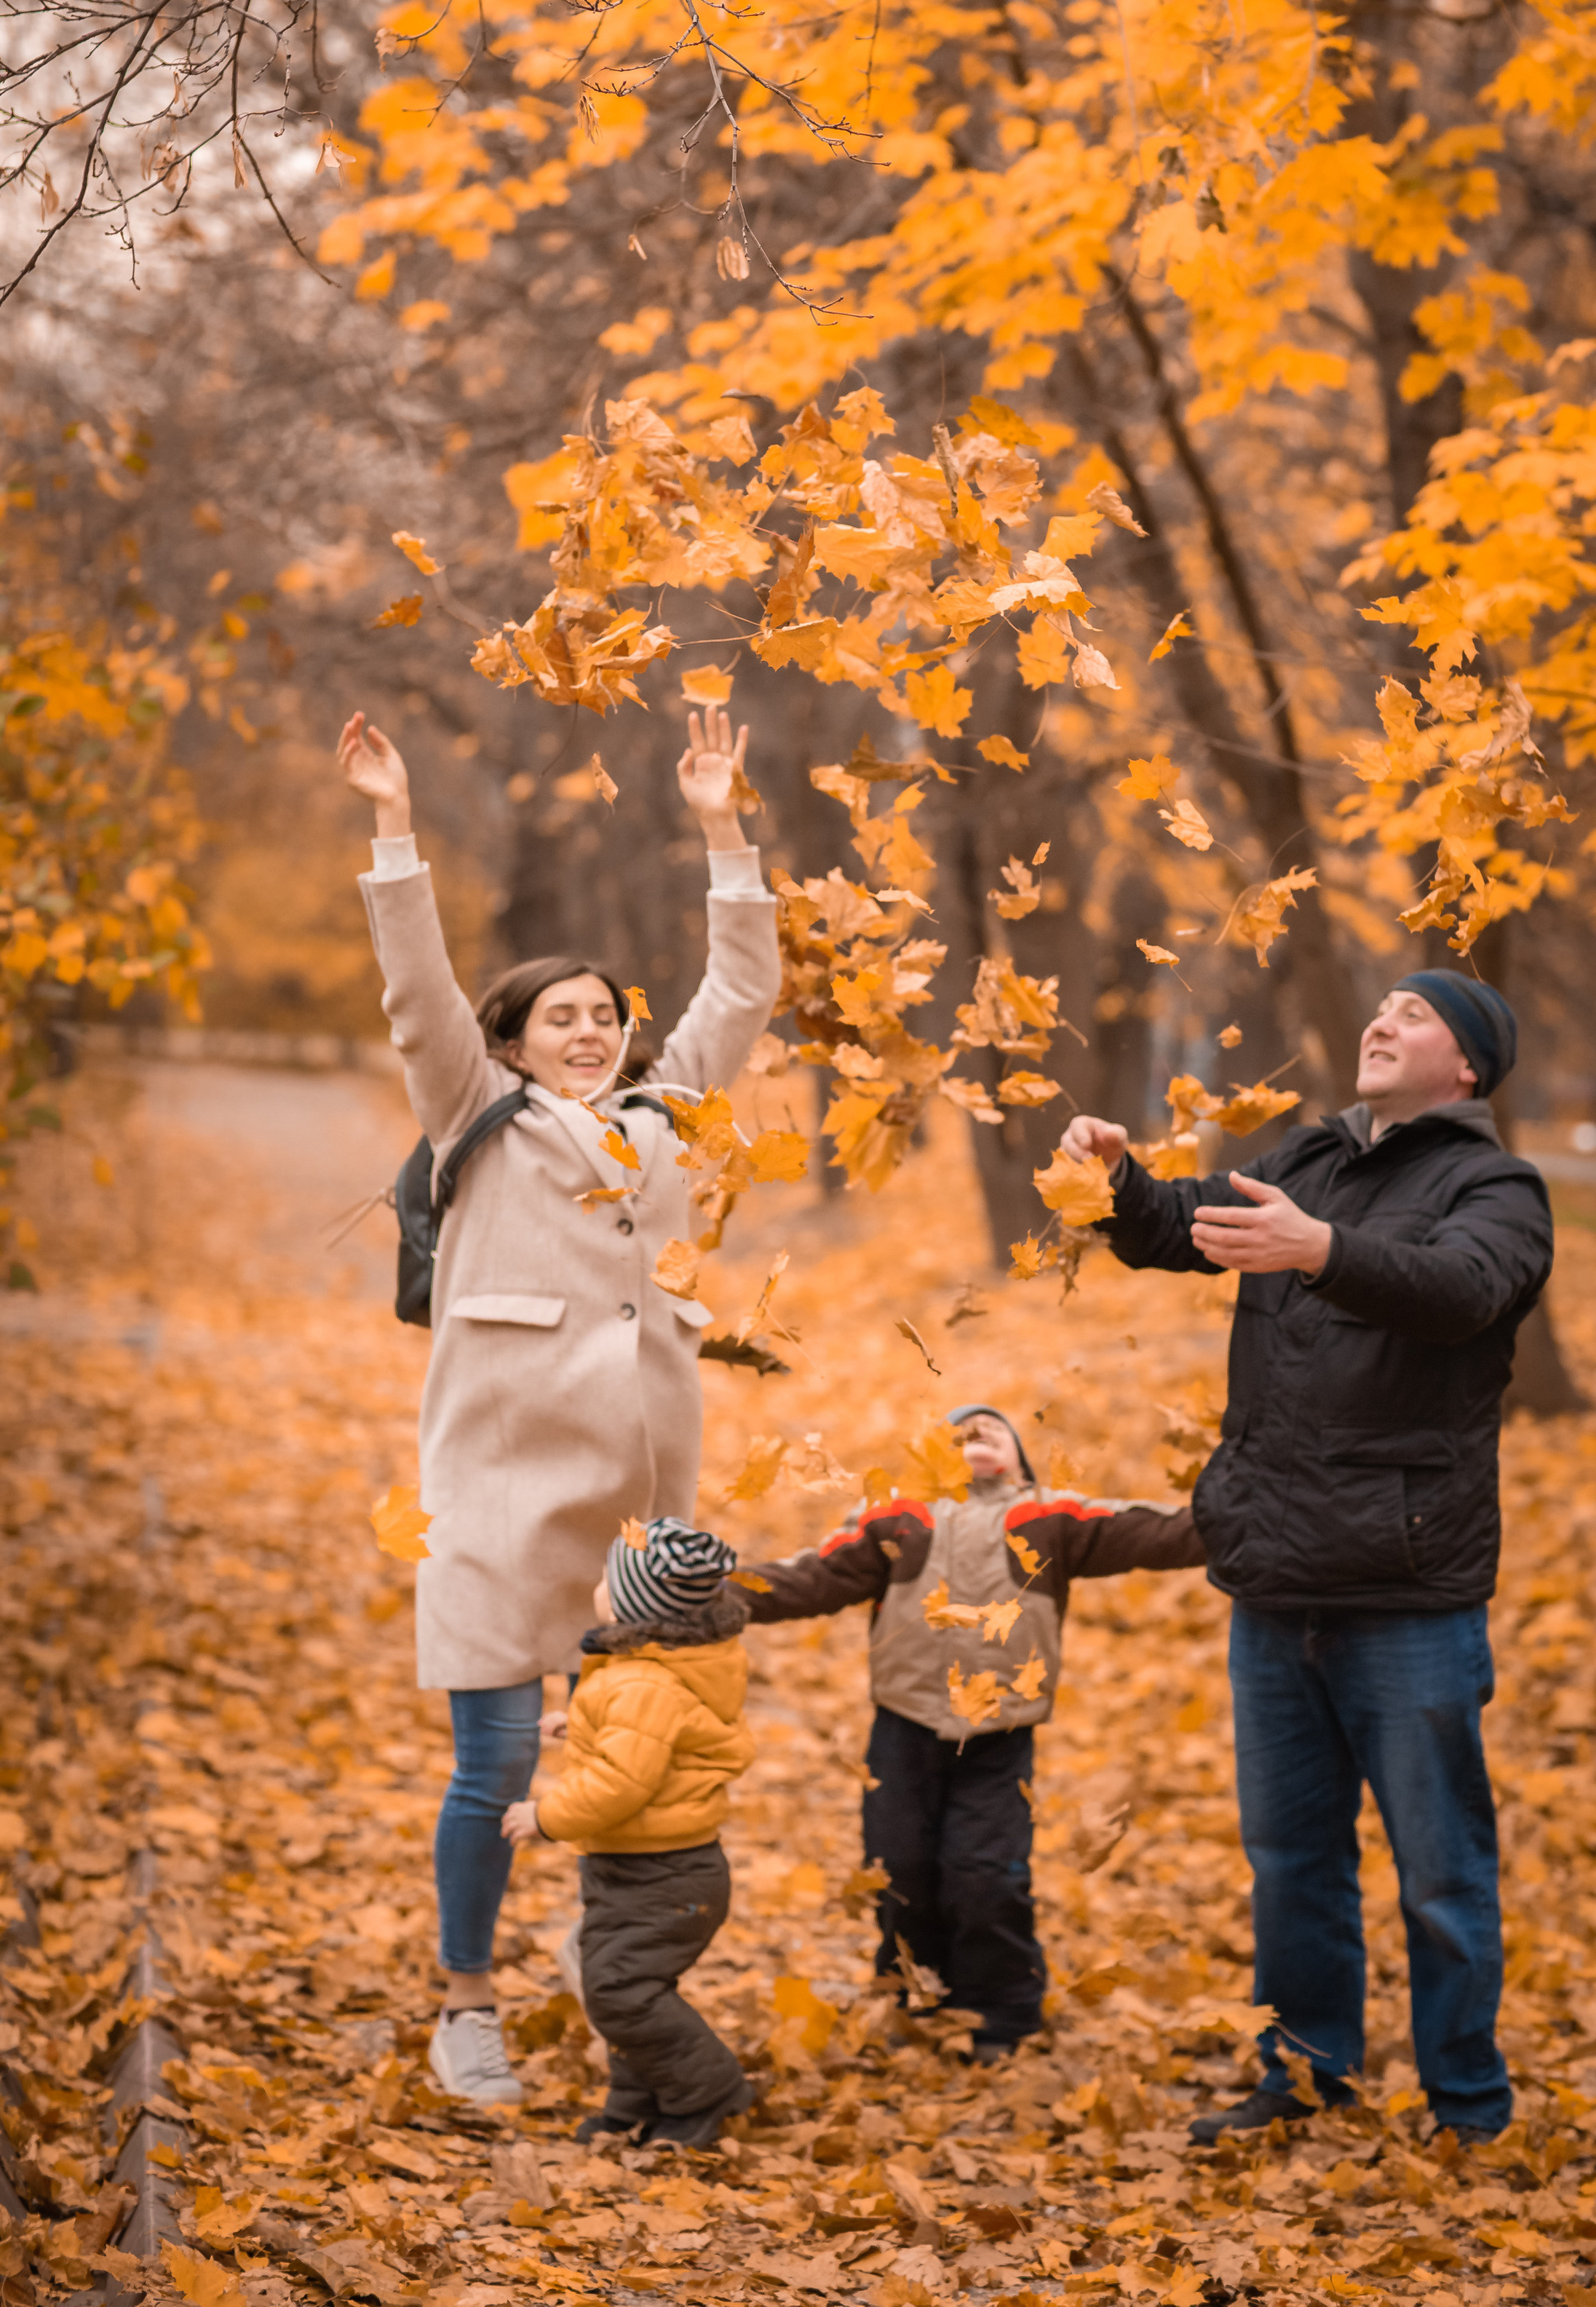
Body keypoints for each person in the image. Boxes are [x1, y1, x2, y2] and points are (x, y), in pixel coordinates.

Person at [336, 704, 780, 2109]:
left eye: (604, 1015)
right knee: (495, 1766)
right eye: (560, 1018)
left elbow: (743, 991)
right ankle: (466, 2001)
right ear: (517, 1043)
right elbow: (417, 991)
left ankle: (614, 1978)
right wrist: (395, 825)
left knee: (635, 1767)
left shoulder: (668, 1116)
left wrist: (722, 827)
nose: (588, 1032)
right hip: (495, 1487)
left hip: (638, 1516)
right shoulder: (475, 1112)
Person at [1061, 972, 1553, 2147]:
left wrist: (1323, 1250)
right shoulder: (1313, 1157)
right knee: (1290, 1860)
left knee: (1440, 1874)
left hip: (1406, 1587)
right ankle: (1305, 2076)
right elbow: (1184, 1226)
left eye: (1416, 1014)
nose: (1382, 1020)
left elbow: (1464, 1290)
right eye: (1381, 1006)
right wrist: (1117, 1182)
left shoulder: (1497, 1186)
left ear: (1469, 1066)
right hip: (1276, 1576)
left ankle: (1467, 2106)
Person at [738, 1402, 1204, 2060]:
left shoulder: (1048, 1516)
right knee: (897, 1866)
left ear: (1022, 1459)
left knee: (986, 1876)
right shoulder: (899, 1516)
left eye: (995, 1430)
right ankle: (914, 1990)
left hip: (999, 1737)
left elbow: (1155, 1532)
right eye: (960, 1434)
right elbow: (815, 1576)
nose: (979, 1436)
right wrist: (724, 1595)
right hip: (903, 1728)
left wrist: (1238, 1516)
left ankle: (1003, 2008)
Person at [502, 1517, 755, 2149]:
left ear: (630, 1603)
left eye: (607, 1578)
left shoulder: (645, 1681)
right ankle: (638, 2101)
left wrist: (545, 1817)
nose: (598, 1586)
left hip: (662, 1875)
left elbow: (622, 1782)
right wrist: (582, 1728)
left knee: (622, 1991)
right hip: (647, 1867)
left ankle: (708, 2092)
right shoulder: (654, 1668)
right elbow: (647, 1740)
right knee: (616, 1986)